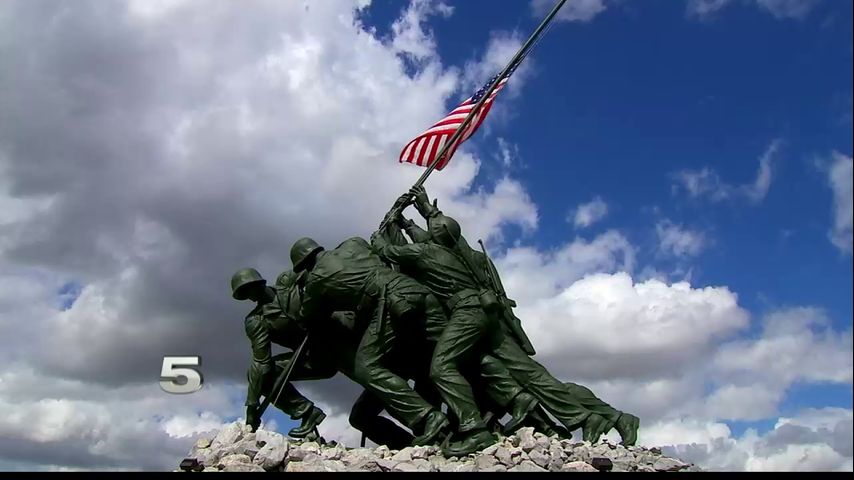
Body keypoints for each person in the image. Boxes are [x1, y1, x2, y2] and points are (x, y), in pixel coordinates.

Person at [386, 186, 640, 446]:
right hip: (486, 320)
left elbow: (431, 244)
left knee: (533, 381)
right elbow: (441, 237)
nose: (426, 236)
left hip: (482, 323)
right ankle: (607, 418)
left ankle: (608, 417)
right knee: (536, 379)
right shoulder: (459, 253)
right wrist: (414, 218)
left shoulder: (459, 256)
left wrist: (404, 221)